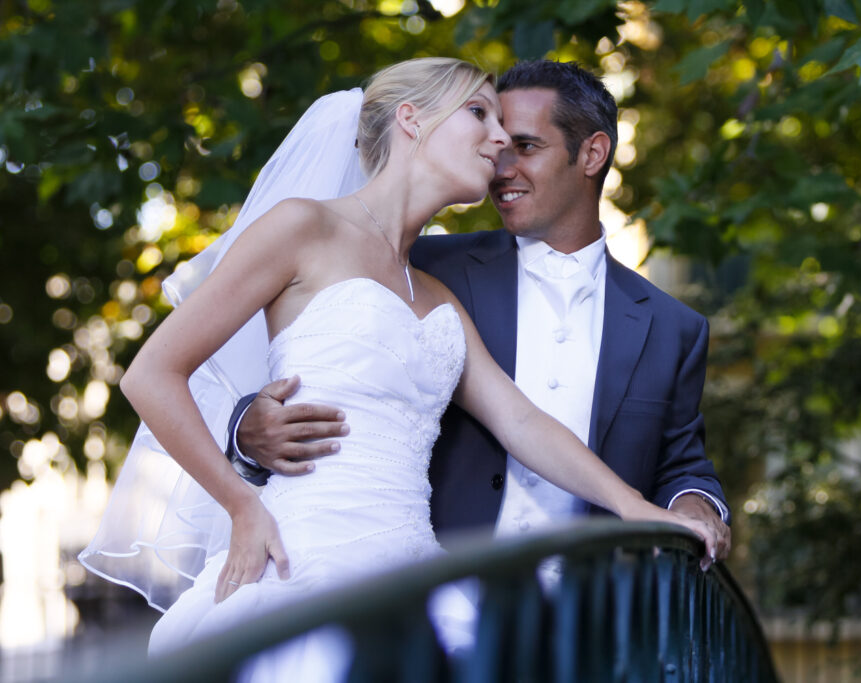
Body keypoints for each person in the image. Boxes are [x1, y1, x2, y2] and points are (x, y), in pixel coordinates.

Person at [83, 57, 699, 666]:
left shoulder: (436, 295)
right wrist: (242, 503)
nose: (500, 138)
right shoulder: (305, 227)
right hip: (301, 556)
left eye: (511, 131)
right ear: (411, 119)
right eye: (479, 113)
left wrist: (633, 506)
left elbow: (523, 424)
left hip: (414, 573)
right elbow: (151, 374)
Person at [230, 60, 732, 569]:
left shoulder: (674, 329)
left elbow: (681, 466)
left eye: (526, 146)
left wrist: (693, 512)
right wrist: (246, 431)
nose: (500, 164)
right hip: (429, 582)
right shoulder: (419, 266)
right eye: (492, 138)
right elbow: (315, 362)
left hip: (588, 614)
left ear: (592, 154)